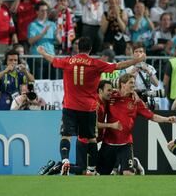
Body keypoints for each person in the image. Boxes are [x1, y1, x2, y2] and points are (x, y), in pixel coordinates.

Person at [36, 36, 149, 175]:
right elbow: (119, 66)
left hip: (69, 106)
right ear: (90, 49)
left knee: (65, 136)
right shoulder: (96, 63)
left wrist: (42, 53)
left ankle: (65, 160)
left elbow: (52, 59)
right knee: (91, 139)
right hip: (88, 108)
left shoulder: (68, 61)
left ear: (78, 48)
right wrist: (137, 60)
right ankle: (91, 169)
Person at [98, 73, 176, 175]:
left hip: (125, 144)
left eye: (134, 83)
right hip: (108, 142)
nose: (133, 85)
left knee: (128, 174)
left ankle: (133, 164)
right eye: (131, 83)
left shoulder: (136, 101)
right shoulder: (111, 96)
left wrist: (167, 119)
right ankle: (132, 163)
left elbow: (152, 116)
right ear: (122, 84)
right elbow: (99, 92)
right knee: (102, 174)